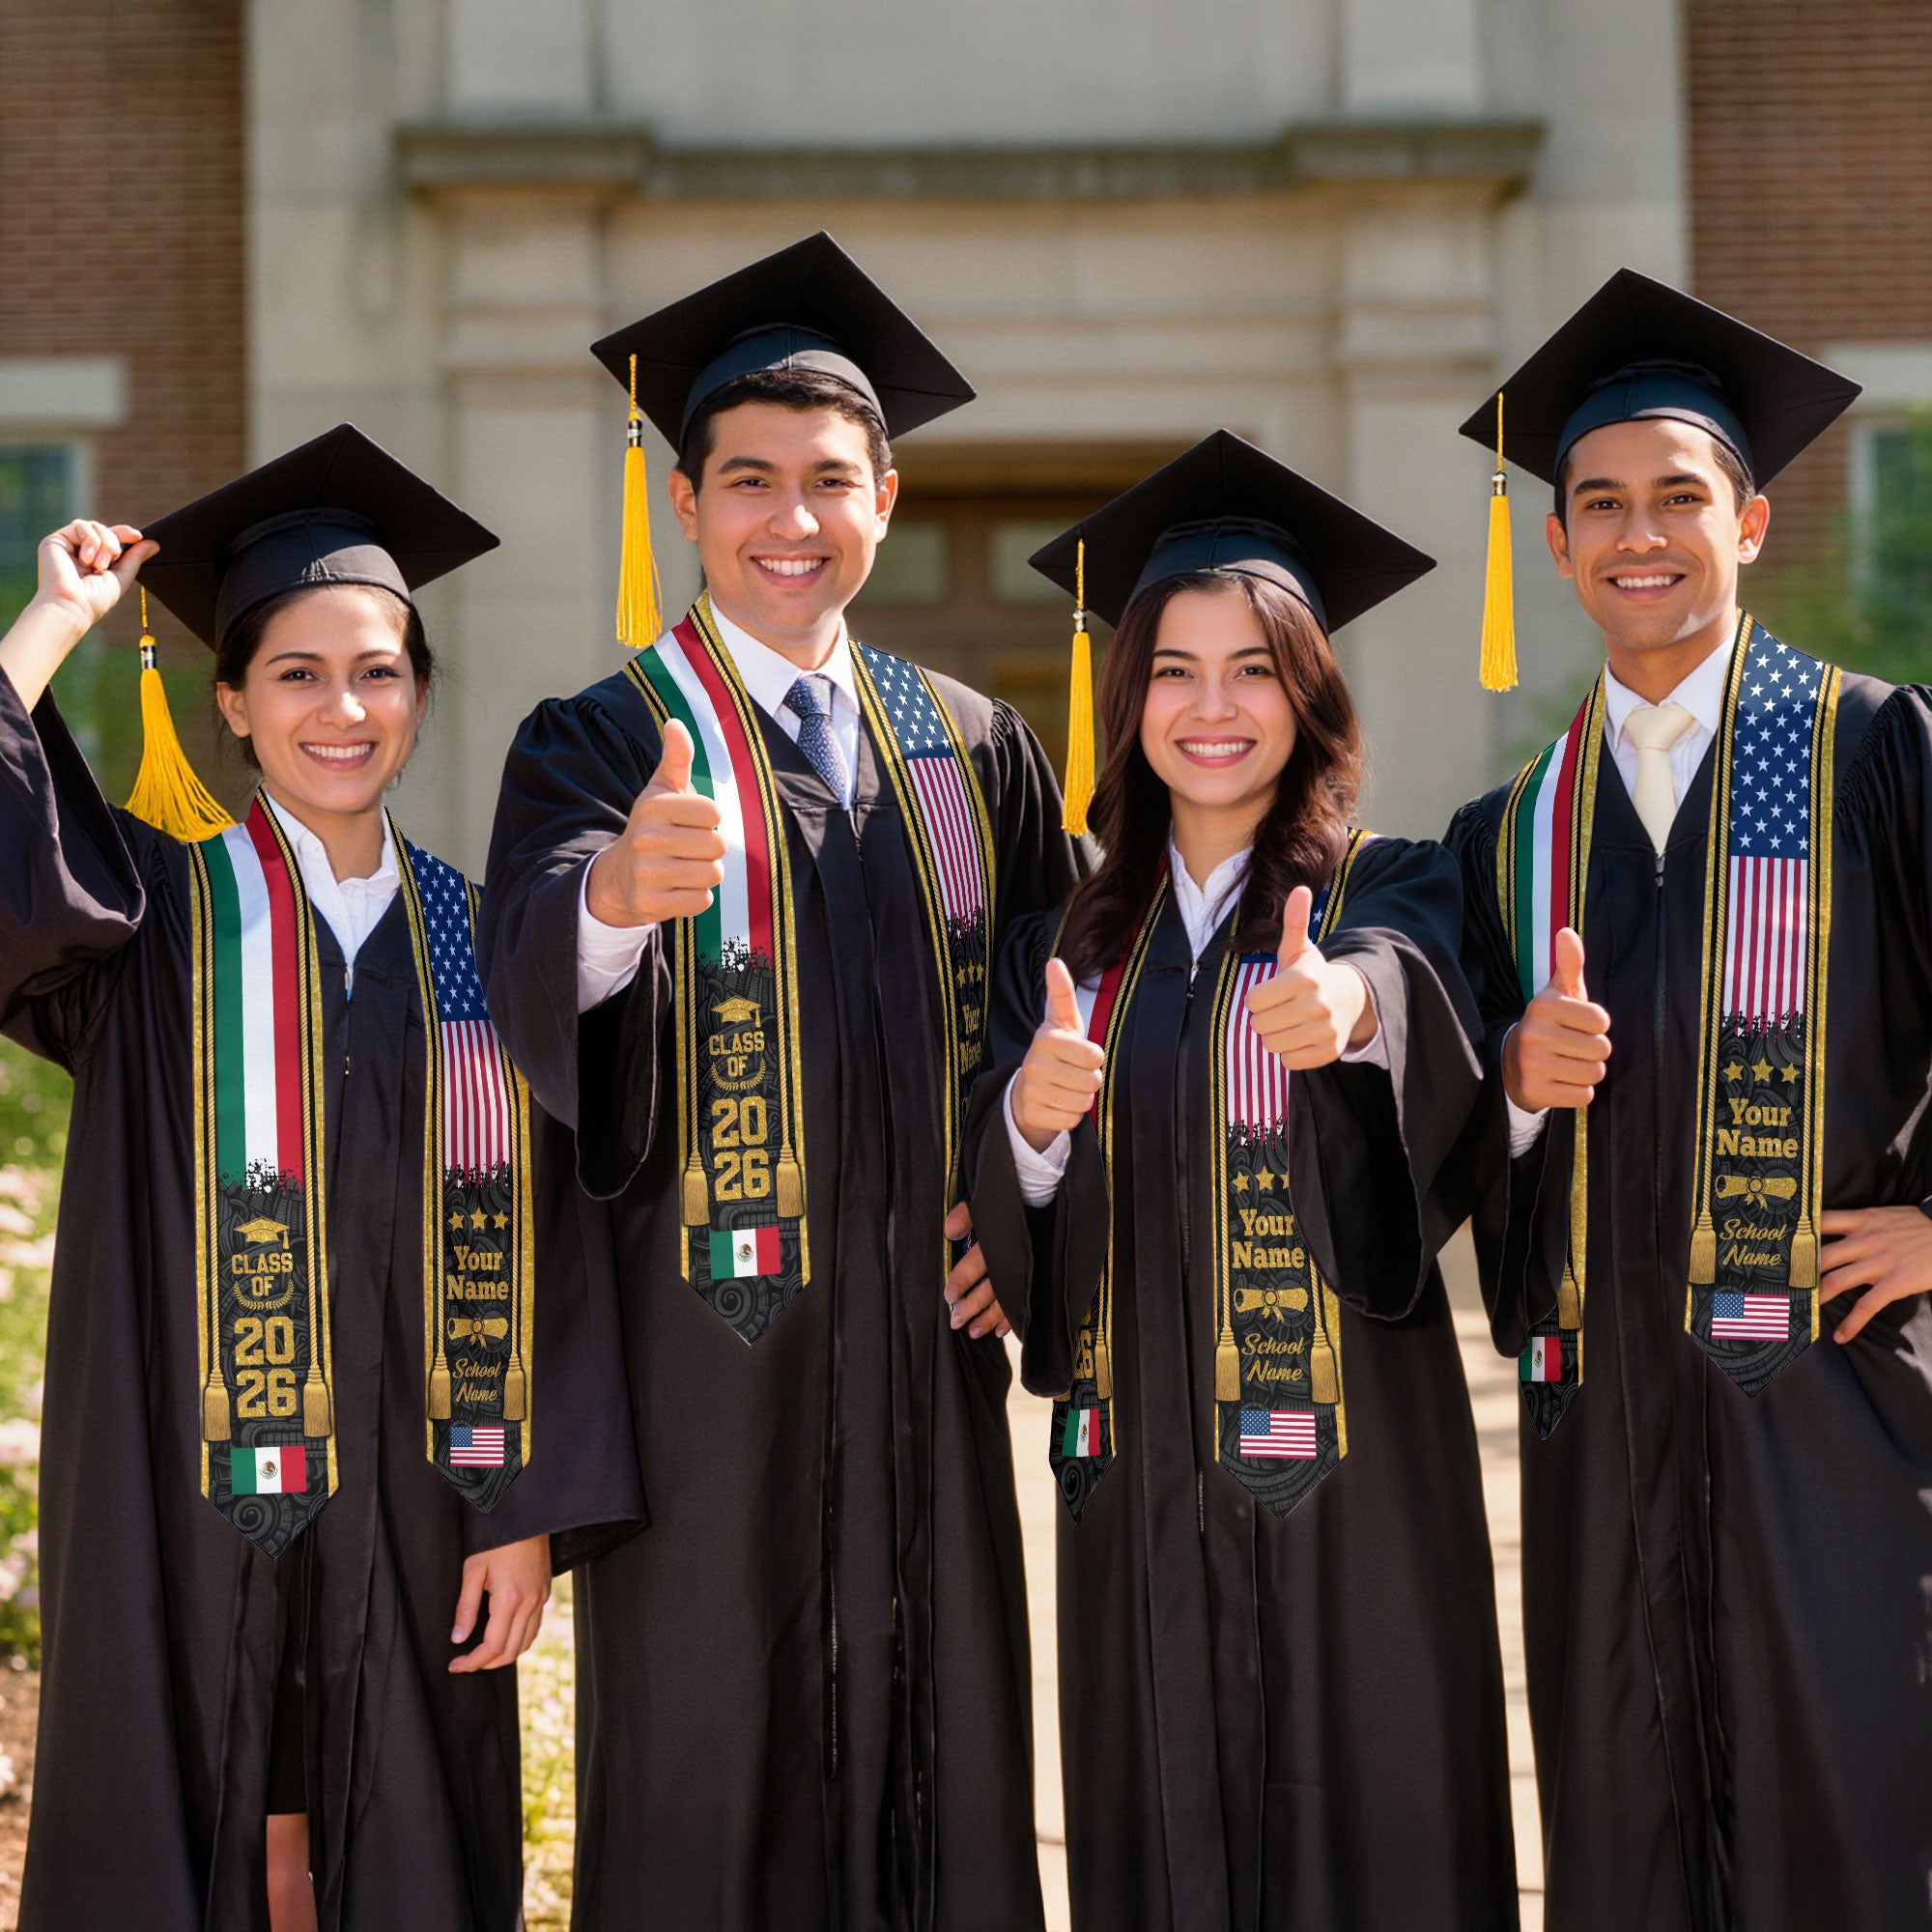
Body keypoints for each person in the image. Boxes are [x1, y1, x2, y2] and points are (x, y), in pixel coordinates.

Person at [479, 233, 1082, 1931]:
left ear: (886, 497)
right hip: (706, 1373)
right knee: (709, 1783)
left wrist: (1027, 1210)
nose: (790, 520)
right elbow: (531, 975)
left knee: (942, 1766)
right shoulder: (599, 738)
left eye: (831, 481)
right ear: (686, 503)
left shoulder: (973, 743)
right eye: (749, 481)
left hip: (922, 1365)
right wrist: (609, 901)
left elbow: (1076, 1014)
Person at [0, 425, 641, 1932]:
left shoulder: (497, 943)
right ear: (231, 702)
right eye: (295, 673)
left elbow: (568, 1240)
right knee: (193, 1811)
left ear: (420, 695)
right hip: (183, 1486)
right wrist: (51, 625)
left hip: (428, 1503)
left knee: (409, 1838)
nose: (340, 708)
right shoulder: (148, 920)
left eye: (378, 671)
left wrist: (528, 1508)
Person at [964, 431, 1519, 1931]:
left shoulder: (1390, 886)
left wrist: (1349, 1013)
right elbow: (1013, 1212)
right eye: (1175, 671)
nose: (1214, 709)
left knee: (1378, 1836)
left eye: (1256, 669)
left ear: (1311, 693)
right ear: (1127, 696)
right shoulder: (1067, 944)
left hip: (1359, 1483)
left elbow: (1415, 994)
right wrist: (1026, 1119)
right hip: (1141, 1480)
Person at [1446, 270, 1932, 1931]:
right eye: (1599, 505)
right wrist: (1510, 1088)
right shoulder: (1508, 835)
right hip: (1605, 1427)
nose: (1636, 534)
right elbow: (1443, 1141)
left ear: (1752, 521)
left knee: (1854, 1815)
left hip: (1837, 1407)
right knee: (1625, 1830)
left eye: (1678, 497)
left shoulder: (1875, 752)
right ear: (1561, 543)